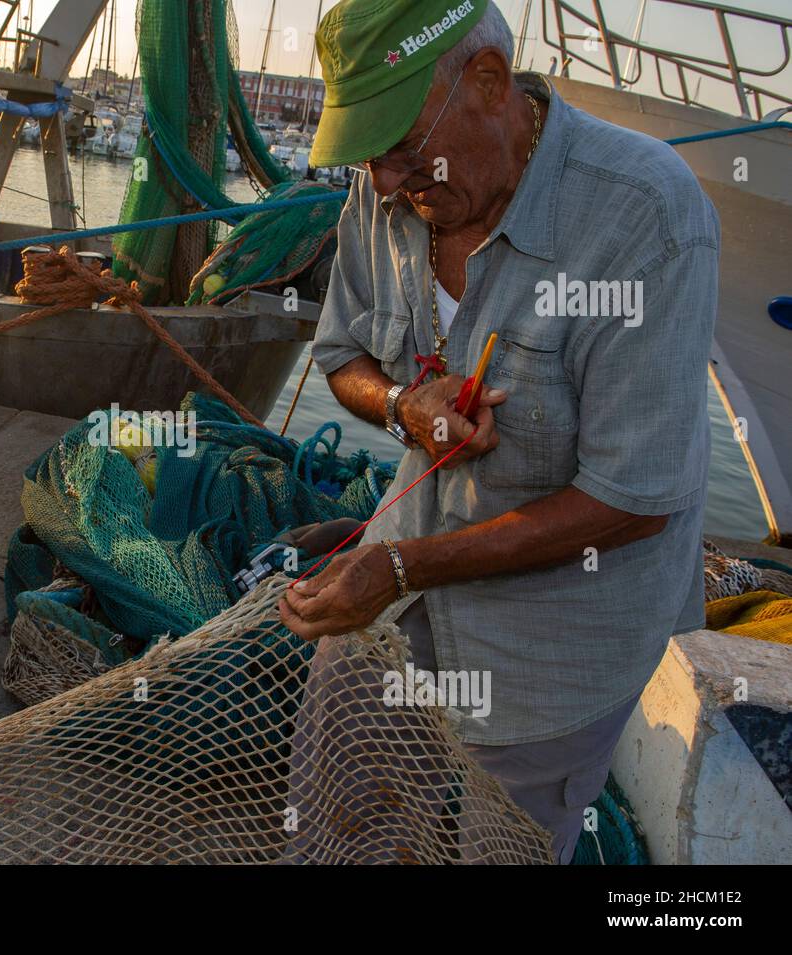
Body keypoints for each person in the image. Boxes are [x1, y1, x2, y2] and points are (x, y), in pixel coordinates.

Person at [277, 0, 718, 863]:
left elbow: (633, 502)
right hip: (396, 595)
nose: (387, 184)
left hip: (554, 650)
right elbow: (339, 355)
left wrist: (398, 564)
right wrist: (405, 406)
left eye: (404, 150)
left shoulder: (646, 215)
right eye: (369, 156)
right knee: (339, 815)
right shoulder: (384, 199)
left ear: (488, 83)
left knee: (499, 845)